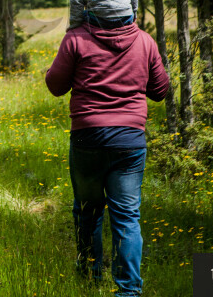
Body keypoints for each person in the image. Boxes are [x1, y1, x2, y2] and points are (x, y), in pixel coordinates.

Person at [45, 15, 170, 297]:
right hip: (129, 141)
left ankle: (89, 277)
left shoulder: (77, 38)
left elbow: (55, 86)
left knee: (88, 211)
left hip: (88, 138)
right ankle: (128, 291)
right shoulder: (144, 40)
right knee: (126, 216)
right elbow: (160, 90)